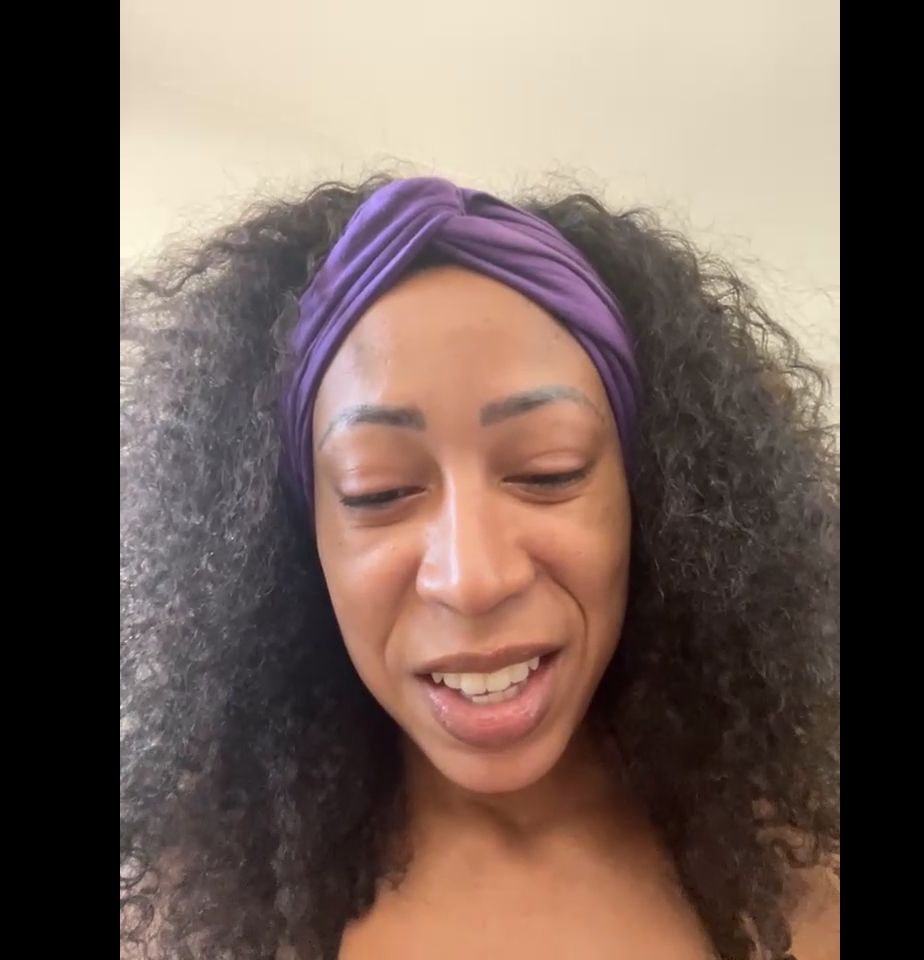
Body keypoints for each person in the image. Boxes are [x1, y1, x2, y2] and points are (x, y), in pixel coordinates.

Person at [120, 176, 840, 960]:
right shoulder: (181, 920)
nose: (471, 579)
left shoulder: (805, 886)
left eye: (548, 471)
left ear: (657, 501)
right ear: (298, 541)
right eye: (379, 490)